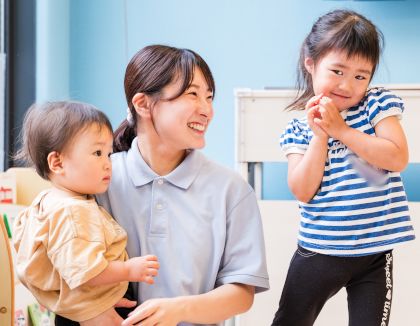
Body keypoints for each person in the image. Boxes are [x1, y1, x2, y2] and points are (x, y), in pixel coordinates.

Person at [92, 44, 269, 326]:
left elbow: (241, 293)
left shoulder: (231, 190)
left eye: (209, 97)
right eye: (192, 95)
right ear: (143, 104)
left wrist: (178, 310)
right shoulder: (100, 180)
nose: (207, 110)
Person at [271, 9, 415, 326]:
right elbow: (303, 190)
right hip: (318, 251)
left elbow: (396, 157)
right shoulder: (298, 129)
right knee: (290, 320)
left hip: (374, 254)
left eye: (361, 76)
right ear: (311, 64)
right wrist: (321, 135)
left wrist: (342, 132)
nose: (348, 85)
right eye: (337, 71)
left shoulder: (377, 105)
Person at [13, 101, 160, 325]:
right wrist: (129, 270)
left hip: (86, 306)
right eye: (97, 153)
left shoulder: (47, 201)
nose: (107, 164)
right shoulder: (73, 213)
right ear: (57, 162)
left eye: (109, 154)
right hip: (90, 315)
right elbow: (88, 273)